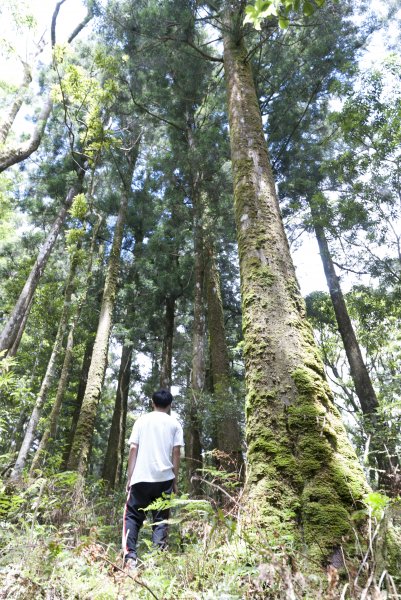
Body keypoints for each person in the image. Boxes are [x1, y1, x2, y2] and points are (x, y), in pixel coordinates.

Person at [123, 388, 184, 569]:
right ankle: (156, 560)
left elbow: (133, 448)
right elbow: (176, 452)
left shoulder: (142, 420)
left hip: (140, 477)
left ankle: (130, 558)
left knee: (133, 517)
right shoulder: (175, 424)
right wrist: (174, 479)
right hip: (164, 478)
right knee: (161, 520)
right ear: (170, 405)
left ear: (152, 402)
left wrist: (130, 477)